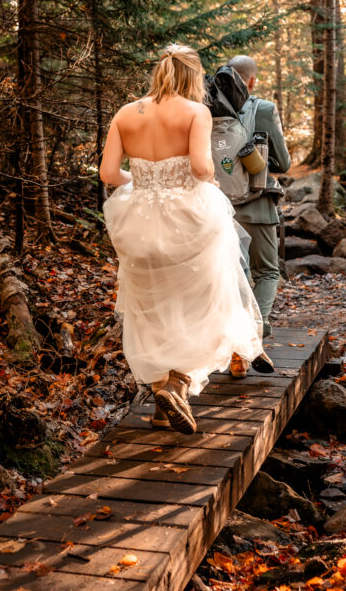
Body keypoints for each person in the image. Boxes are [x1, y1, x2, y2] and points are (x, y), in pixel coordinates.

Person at [99, 44, 266, 435]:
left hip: (138, 221)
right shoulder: (196, 112)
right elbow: (202, 168)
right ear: (193, 76)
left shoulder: (125, 114)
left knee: (152, 305)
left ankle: (162, 400)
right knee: (198, 303)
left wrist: (141, 182)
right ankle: (177, 384)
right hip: (187, 220)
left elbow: (108, 173)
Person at [226, 55, 291, 344]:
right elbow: (283, 163)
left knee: (234, 273)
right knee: (267, 271)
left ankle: (234, 333)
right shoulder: (264, 108)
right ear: (252, 80)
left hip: (220, 207)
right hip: (257, 203)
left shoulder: (206, 110)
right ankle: (256, 327)